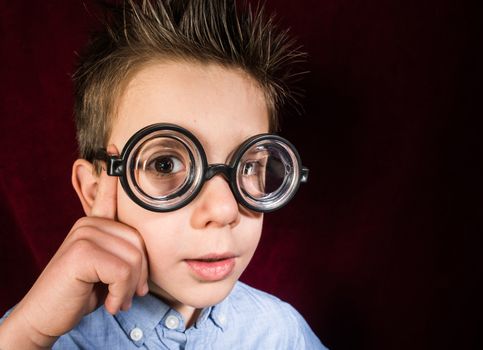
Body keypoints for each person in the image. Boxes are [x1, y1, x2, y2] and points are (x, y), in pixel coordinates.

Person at [0, 0, 327, 348]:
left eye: (248, 166)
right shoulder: (38, 333)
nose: (224, 211)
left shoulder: (280, 333)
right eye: (165, 164)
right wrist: (30, 334)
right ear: (94, 190)